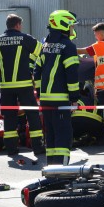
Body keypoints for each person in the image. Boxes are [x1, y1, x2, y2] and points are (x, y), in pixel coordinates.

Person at [0, 14, 45, 156]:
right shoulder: (25, 38)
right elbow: (42, 52)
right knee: (32, 115)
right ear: (17, 25)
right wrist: (30, 65)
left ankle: (11, 149)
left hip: (6, 87)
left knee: (9, 117)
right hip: (25, 86)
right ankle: (37, 147)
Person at [34, 10, 80, 165]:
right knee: (63, 136)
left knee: (51, 135)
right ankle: (62, 171)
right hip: (61, 100)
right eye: (71, 26)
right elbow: (72, 75)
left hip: (46, 100)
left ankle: (51, 168)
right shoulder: (68, 46)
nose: (73, 29)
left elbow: (37, 71)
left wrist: (40, 94)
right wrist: (74, 99)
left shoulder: (45, 45)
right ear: (64, 25)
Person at [77, 23, 104, 142]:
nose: (95, 37)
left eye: (96, 35)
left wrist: (67, 48)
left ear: (101, 34)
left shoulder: (97, 46)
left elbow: (81, 51)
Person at [72, 80, 104, 145]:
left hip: (77, 122)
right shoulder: (94, 98)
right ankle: (91, 137)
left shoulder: (74, 99)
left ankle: (77, 138)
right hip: (96, 124)